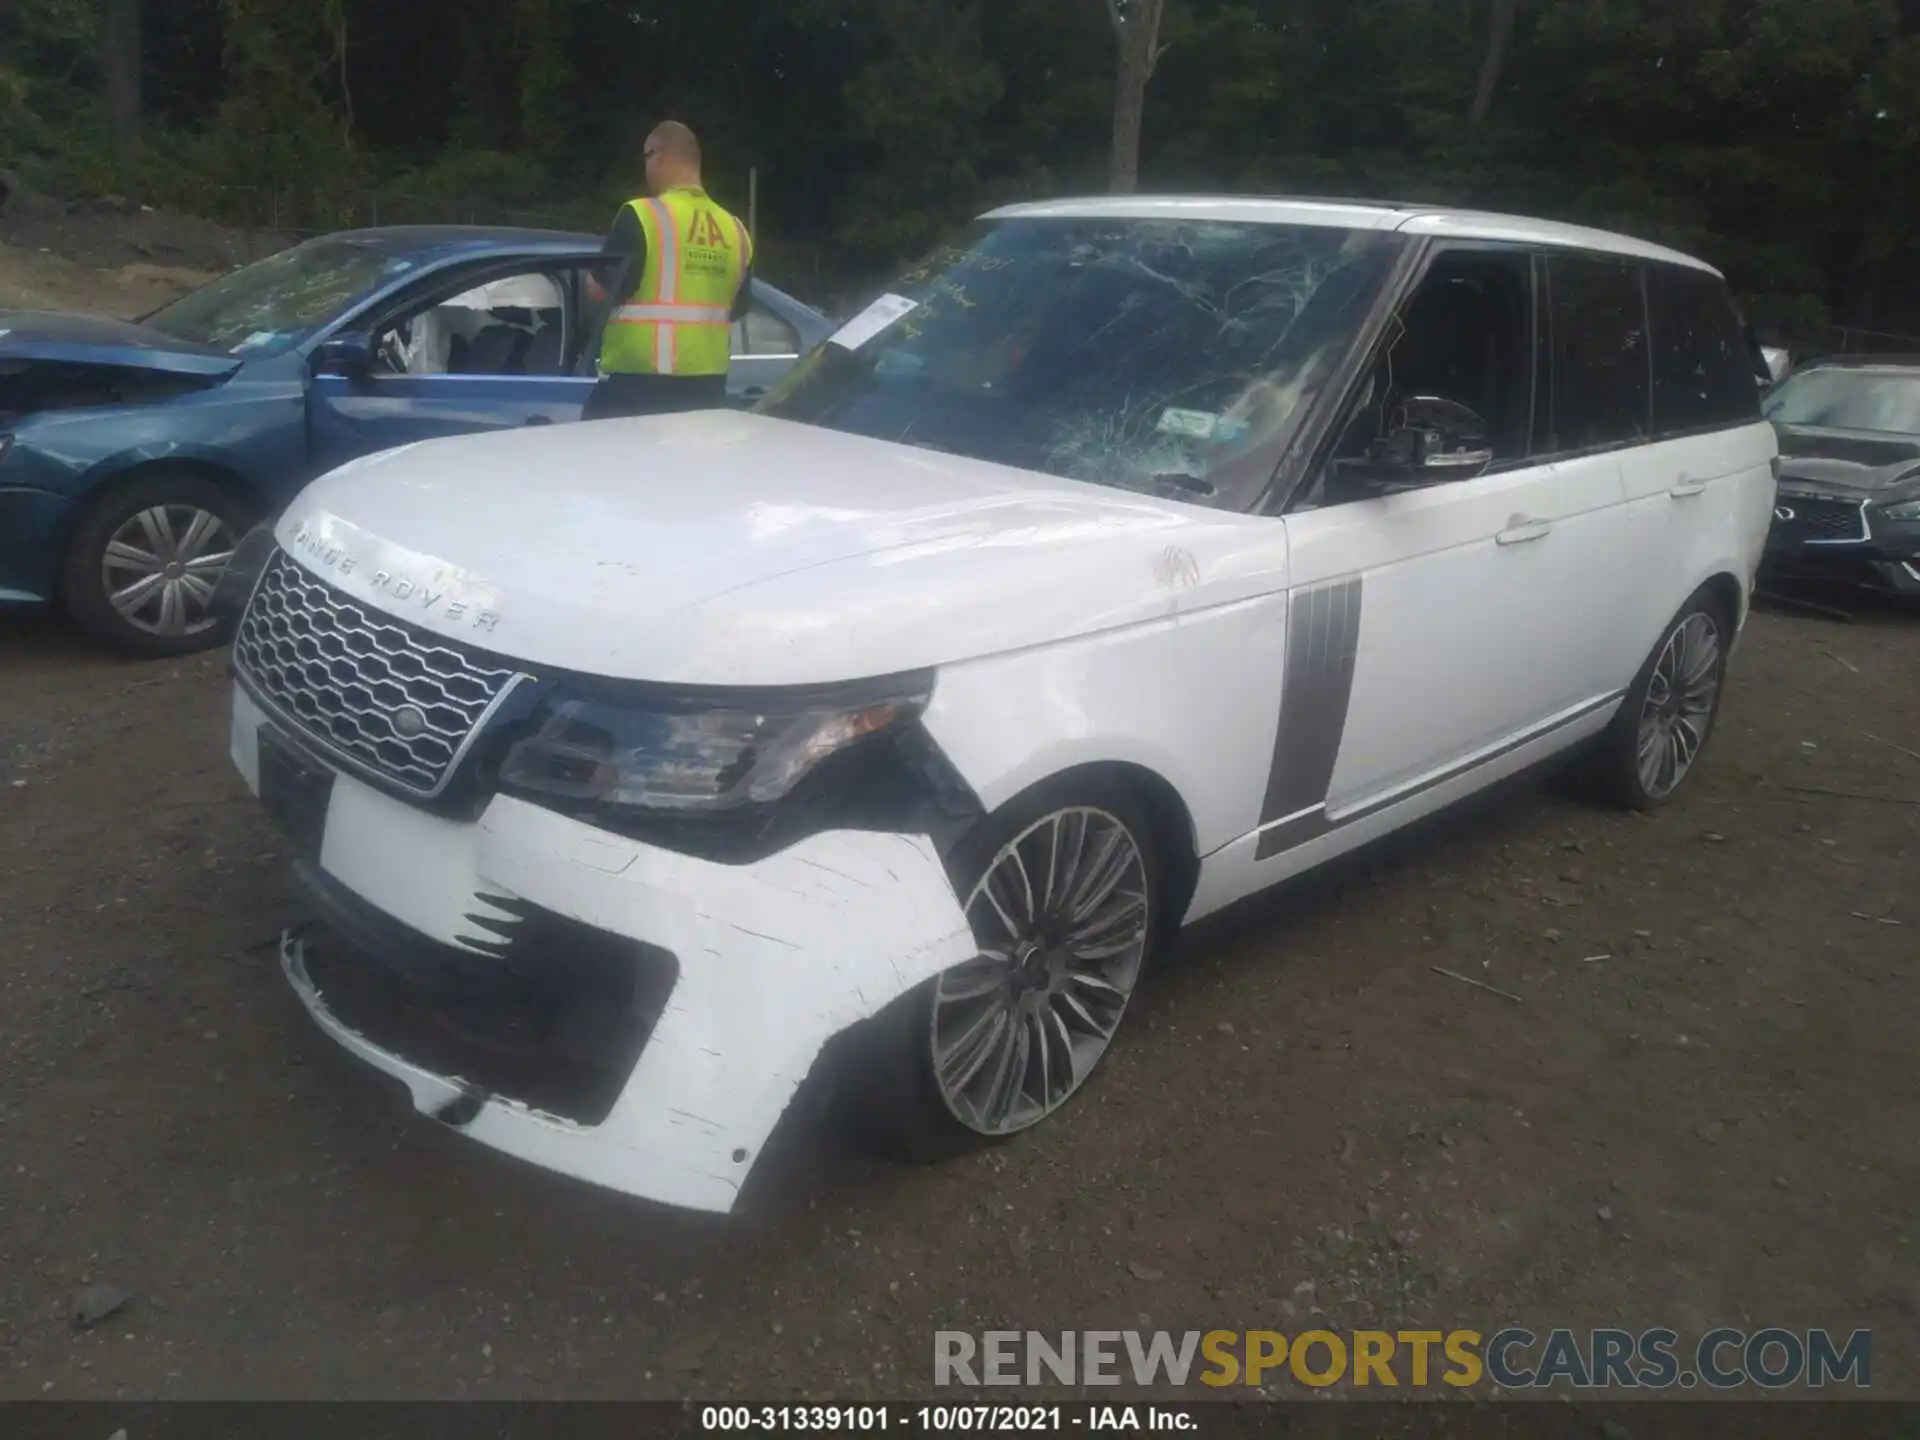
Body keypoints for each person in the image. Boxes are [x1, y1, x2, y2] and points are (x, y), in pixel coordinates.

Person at [580, 120, 754, 420]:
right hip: (708, 393)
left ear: (657, 155)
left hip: (637, 391)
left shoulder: (643, 215)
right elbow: (738, 307)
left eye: (646, 159)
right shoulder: (735, 229)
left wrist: (587, 278)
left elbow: (600, 290)